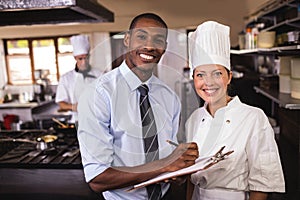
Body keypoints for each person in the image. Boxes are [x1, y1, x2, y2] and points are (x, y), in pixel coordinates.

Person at [77, 13, 199, 200]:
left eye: (158, 39)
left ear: (164, 48)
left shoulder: (169, 97)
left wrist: (180, 170)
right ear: (127, 40)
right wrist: (165, 165)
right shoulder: (99, 94)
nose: (149, 46)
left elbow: (170, 159)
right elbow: (97, 179)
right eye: (141, 37)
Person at [185, 21, 285, 200]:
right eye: (200, 74)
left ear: (229, 77)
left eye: (217, 73)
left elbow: (262, 182)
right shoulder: (193, 119)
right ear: (193, 79)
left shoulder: (253, 117)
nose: (209, 83)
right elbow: (190, 180)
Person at [55, 34, 102, 123]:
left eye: (86, 58)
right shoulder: (66, 78)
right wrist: (74, 107)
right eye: (80, 59)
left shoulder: (100, 74)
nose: (84, 62)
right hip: (76, 122)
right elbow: (61, 103)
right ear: (75, 58)